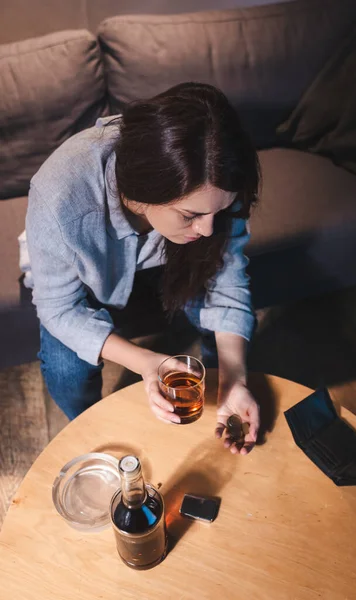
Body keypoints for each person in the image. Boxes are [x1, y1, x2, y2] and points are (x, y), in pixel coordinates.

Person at [24, 82, 261, 454]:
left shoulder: (212, 177)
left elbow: (227, 279)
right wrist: (147, 363)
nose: (209, 229)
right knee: (65, 366)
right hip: (86, 284)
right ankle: (88, 428)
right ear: (144, 193)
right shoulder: (60, 196)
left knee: (223, 340)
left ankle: (223, 397)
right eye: (192, 215)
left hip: (166, 268)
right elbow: (58, 308)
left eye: (220, 211)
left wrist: (234, 378)